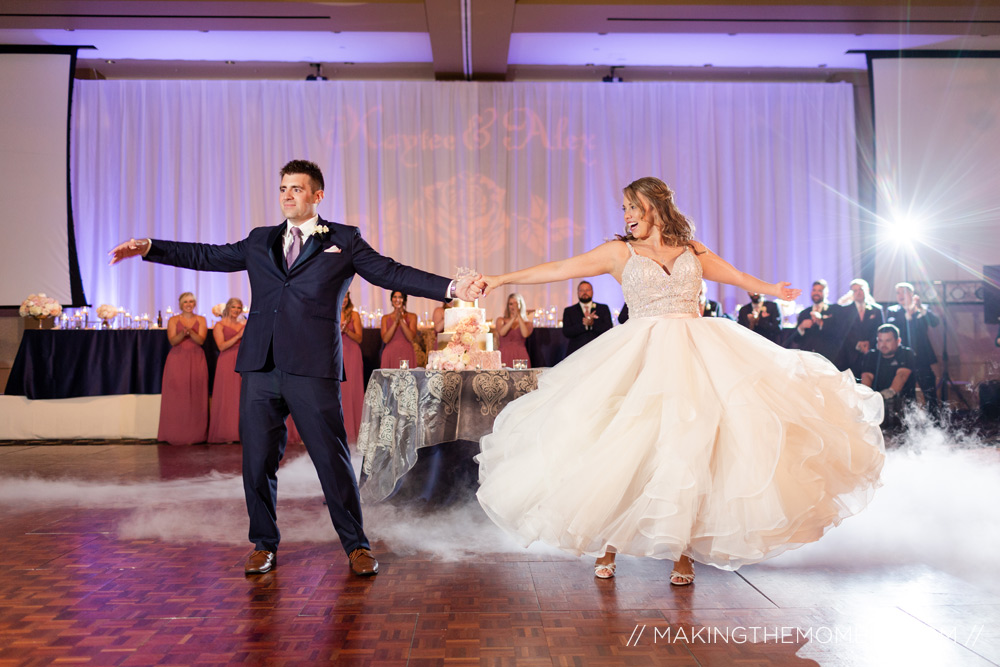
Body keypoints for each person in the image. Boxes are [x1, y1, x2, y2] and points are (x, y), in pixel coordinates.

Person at [476, 177, 884, 586]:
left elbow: (736, 276)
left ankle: (681, 551)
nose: (627, 215)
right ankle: (607, 544)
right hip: (641, 353)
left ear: (654, 205)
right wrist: (500, 279)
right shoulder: (620, 252)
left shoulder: (691, 248)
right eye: (623, 208)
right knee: (622, 442)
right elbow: (559, 268)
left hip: (697, 352)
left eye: (632, 206)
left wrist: (772, 289)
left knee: (687, 447)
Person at [110, 159, 483, 577]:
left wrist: (451, 288)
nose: (288, 195)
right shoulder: (259, 240)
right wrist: (150, 248)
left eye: (297, 189)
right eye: (283, 188)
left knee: (332, 460)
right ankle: (263, 544)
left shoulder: (343, 239)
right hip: (260, 367)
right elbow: (209, 256)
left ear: (317, 195)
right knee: (257, 463)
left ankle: (356, 545)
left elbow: (389, 271)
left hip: (313, 368)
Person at [158, 292, 209, 445]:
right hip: (177, 359)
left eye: (191, 301)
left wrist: (191, 332)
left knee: (196, 394)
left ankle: (196, 435)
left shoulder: (201, 319)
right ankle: (174, 433)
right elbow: (173, 341)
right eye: (185, 301)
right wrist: (183, 333)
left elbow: (200, 340)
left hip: (196, 358)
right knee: (177, 396)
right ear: (180, 304)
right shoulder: (173, 320)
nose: (188, 304)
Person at [884, 282, 940, 417]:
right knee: (908, 394)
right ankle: (909, 423)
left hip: (922, 356)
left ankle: (935, 421)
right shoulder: (893, 310)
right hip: (903, 358)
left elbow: (935, 322)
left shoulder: (922, 309)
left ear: (911, 294)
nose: (900, 296)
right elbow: (891, 328)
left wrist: (920, 309)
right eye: (897, 293)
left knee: (929, 391)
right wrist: (907, 315)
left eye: (903, 292)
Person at [860, 324, 915, 430]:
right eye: (880, 340)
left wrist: (889, 392)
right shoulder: (871, 355)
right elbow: (867, 376)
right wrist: (865, 394)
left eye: (888, 340)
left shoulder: (906, 353)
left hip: (902, 406)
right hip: (877, 406)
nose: (883, 344)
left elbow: (902, 376)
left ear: (898, 341)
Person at [207, 297, 245, 443]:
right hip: (227, 361)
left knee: (241, 396)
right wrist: (238, 336)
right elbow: (221, 346)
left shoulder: (245, 323)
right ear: (228, 308)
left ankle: (243, 432)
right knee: (228, 396)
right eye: (233, 307)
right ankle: (227, 433)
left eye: (238, 308)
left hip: (242, 360)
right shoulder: (219, 325)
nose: (236, 310)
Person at [836, 278, 883, 378]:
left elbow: (880, 330)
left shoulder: (876, 310)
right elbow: (842, 332)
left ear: (867, 290)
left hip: (871, 353)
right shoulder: (844, 310)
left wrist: (869, 343)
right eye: (855, 290)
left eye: (861, 289)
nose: (858, 292)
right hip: (850, 354)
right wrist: (856, 344)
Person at [792, 279, 841, 362]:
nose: (816, 293)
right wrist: (801, 327)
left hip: (828, 357)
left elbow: (839, 333)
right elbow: (795, 339)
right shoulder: (804, 312)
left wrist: (821, 322)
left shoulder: (835, 310)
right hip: (807, 358)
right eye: (814, 290)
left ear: (827, 293)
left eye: (820, 290)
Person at [562, 281, 613, 355]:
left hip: (599, 350)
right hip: (576, 352)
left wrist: (592, 324)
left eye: (587, 290)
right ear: (577, 292)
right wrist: (584, 325)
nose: (584, 292)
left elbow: (608, 328)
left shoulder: (603, 308)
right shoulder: (569, 311)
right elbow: (566, 332)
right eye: (581, 290)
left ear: (592, 292)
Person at [340, 292, 365, 444]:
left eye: (346, 297)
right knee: (341, 391)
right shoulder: (331, 310)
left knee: (353, 389)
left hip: (352, 353)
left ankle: (355, 430)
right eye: (342, 296)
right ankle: (341, 429)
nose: (344, 300)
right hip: (337, 353)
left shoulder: (353, 315)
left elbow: (360, 338)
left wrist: (347, 330)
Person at [380, 290, 418, 369]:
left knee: (405, 379)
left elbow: (411, 337)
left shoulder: (412, 316)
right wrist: (395, 322)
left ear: (404, 300)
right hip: (390, 353)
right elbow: (386, 339)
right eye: (395, 297)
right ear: (391, 299)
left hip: (406, 353)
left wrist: (401, 320)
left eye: (400, 297)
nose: (397, 300)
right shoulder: (385, 318)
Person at [496, 293, 533, 367]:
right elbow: (502, 333)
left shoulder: (527, 323)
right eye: (511, 304)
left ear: (521, 305)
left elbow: (525, 334)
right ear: (508, 306)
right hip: (504, 354)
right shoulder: (501, 320)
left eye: (516, 303)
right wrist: (513, 318)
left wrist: (518, 315)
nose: (513, 306)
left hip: (520, 355)